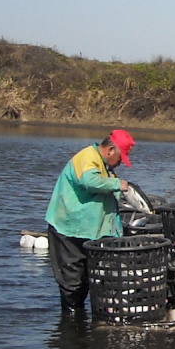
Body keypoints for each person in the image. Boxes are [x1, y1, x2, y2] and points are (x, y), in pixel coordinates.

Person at [44, 129, 135, 315]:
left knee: (86, 278)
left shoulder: (102, 164)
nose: (119, 163)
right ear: (110, 150)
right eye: (120, 158)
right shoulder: (87, 158)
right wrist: (118, 184)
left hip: (86, 231)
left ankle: (79, 317)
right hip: (68, 229)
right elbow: (90, 181)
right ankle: (71, 323)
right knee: (72, 282)